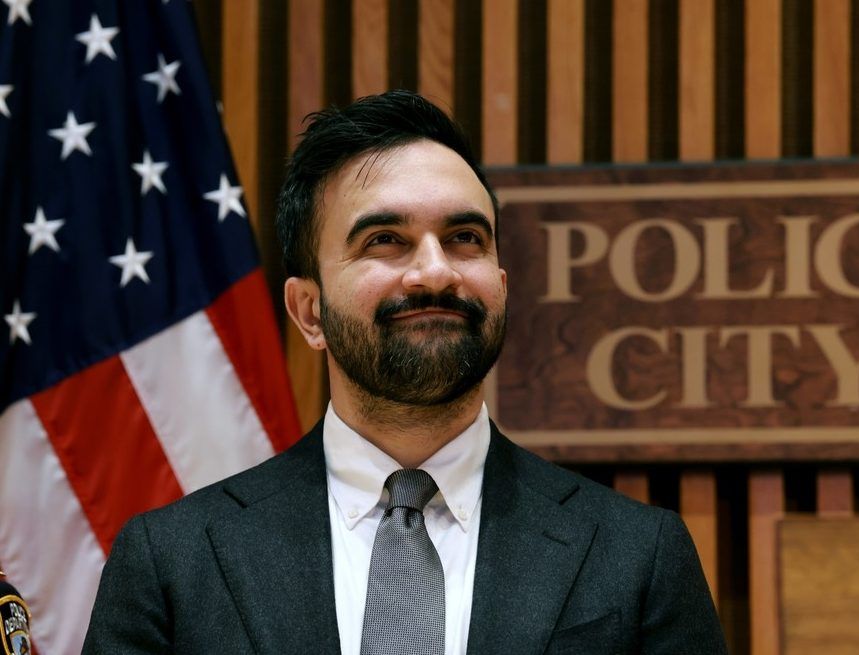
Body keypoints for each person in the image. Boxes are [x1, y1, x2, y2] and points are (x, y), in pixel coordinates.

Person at [83, 90, 727, 654]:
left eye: (465, 239)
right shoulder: (172, 560)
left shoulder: (638, 556)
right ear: (309, 311)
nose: (435, 271)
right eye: (384, 240)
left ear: (499, 287)